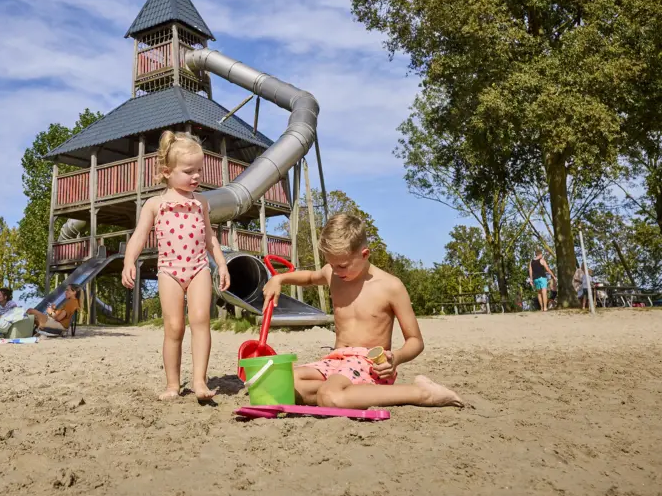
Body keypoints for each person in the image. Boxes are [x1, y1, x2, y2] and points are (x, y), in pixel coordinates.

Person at [262, 213, 462, 409]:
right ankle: (345, 395)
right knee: (287, 382)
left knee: (329, 396)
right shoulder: (333, 274)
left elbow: (416, 341)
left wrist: (397, 358)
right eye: (331, 265)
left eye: (342, 266)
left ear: (364, 254)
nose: (336, 272)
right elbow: (310, 278)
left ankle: (420, 392)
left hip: (369, 365)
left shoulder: (390, 286)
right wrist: (279, 279)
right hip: (337, 360)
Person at [122, 130, 231, 401]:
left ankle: (199, 382)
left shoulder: (201, 203)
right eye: (188, 171)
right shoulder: (156, 204)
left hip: (198, 268)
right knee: (174, 327)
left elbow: (210, 238)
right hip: (169, 270)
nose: (196, 176)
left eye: (199, 170)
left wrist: (221, 264)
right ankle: (172, 384)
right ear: (167, 171)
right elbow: (138, 235)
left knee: (201, 321)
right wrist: (128, 260)